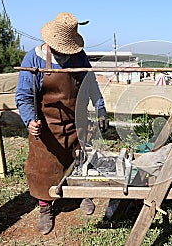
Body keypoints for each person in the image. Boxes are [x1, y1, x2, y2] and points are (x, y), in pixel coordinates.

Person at [15, 12, 109, 235]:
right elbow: (24, 95)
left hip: (77, 121)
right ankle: (46, 207)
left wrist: (101, 108)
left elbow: (91, 82)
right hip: (48, 125)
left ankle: (81, 194)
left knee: (80, 160)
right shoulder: (34, 59)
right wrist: (30, 121)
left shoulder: (79, 57)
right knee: (45, 166)